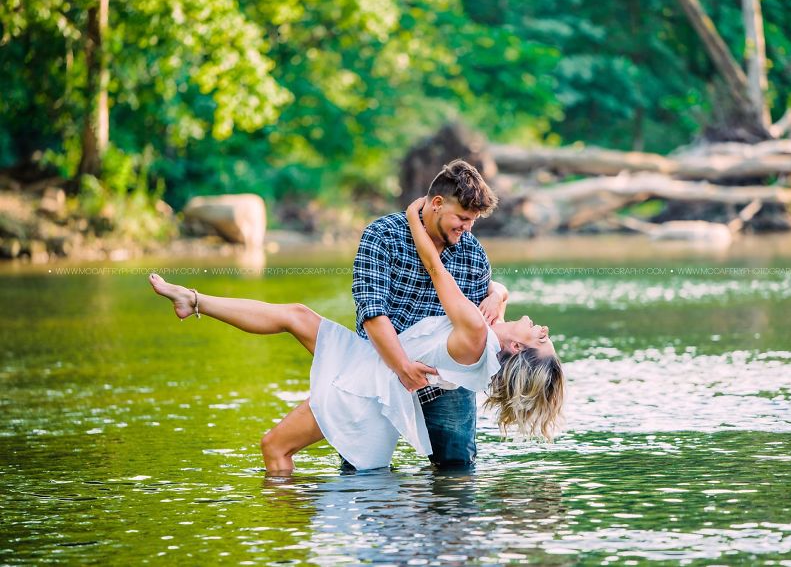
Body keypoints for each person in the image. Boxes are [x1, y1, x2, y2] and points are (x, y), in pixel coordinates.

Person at [148, 199, 564, 475]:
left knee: (275, 446)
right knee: (296, 315)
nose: (544, 329)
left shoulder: (477, 333)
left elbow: (438, 273)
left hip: (368, 384)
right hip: (375, 363)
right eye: (546, 335)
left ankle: (289, 529)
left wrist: (413, 217)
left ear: (516, 348)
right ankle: (194, 299)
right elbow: (493, 336)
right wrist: (498, 291)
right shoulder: (487, 333)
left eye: (541, 339)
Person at [352, 159, 503, 468]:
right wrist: (402, 367)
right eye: (462, 218)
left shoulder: (472, 251)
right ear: (436, 204)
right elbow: (372, 313)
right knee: (360, 469)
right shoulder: (382, 236)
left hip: (445, 377)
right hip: (382, 364)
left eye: (473, 220)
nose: (467, 228)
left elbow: (478, 328)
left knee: (458, 469)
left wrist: (499, 292)